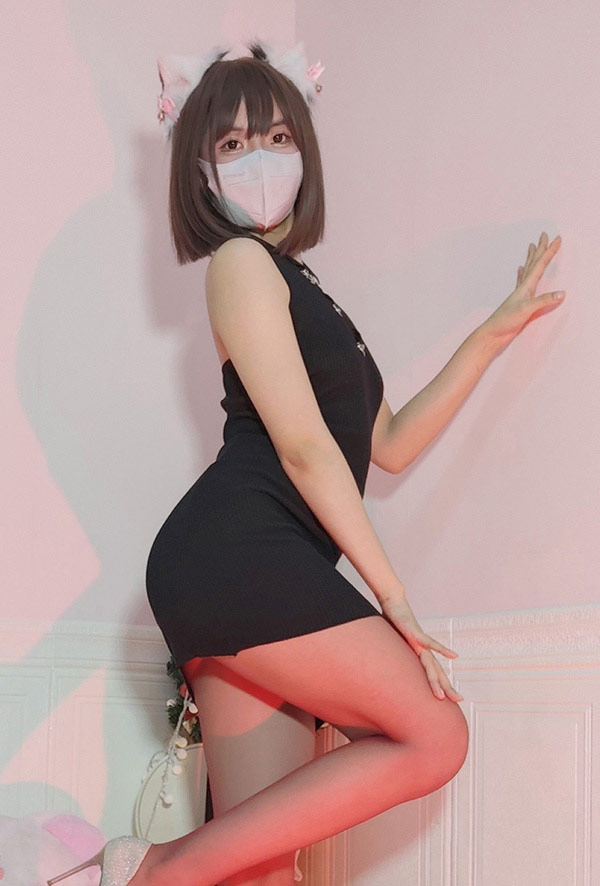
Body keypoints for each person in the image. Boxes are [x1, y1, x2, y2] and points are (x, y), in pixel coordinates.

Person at [46, 38, 565, 886]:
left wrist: (491, 332)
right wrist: (393, 597)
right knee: (436, 735)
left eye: (279, 138)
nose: (262, 159)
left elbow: (387, 441)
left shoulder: (306, 287)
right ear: (202, 173)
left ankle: (151, 868)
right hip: (238, 555)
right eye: (234, 144)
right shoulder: (240, 263)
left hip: (243, 570)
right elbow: (303, 447)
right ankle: (156, 871)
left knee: (261, 868)